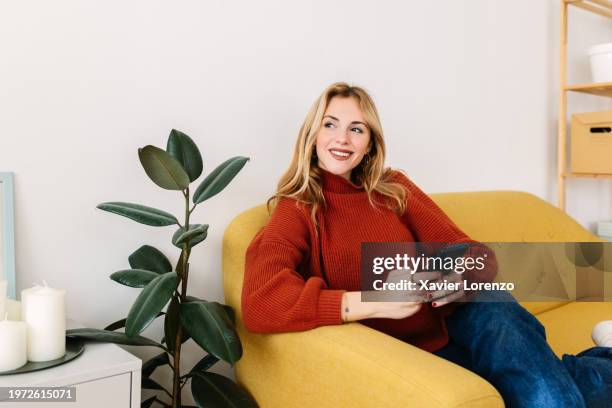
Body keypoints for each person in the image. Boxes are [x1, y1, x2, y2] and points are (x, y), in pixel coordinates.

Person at [241, 82, 612, 407]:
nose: (342, 138)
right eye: (330, 124)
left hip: (470, 313)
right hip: (420, 355)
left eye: (357, 129)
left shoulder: (393, 188)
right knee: (545, 385)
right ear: (313, 135)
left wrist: (457, 278)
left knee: (506, 330)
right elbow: (261, 300)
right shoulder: (299, 208)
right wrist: (372, 300)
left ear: (369, 143)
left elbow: (477, 254)